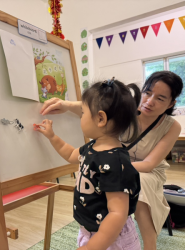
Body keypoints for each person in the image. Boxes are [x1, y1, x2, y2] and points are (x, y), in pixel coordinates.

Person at [39, 71, 184, 250]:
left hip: (139, 169)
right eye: (147, 92)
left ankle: (150, 244)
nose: (149, 101)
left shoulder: (171, 126)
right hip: (96, 204)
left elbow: (148, 165)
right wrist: (54, 130)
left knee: (139, 184)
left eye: (160, 98)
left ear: (171, 103)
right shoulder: (100, 140)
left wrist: (109, 168)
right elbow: (72, 151)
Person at [35, 79, 142, 250]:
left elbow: (117, 214)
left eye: (83, 113)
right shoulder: (93, 147)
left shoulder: (115, 161)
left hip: (111, 238)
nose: (81, 117)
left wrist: (92, 246)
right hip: (92, 230)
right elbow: (70, 154)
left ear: (100, 118)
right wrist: (52, 136)